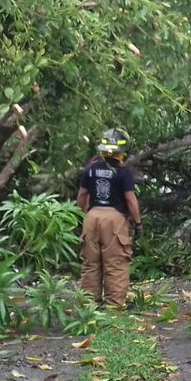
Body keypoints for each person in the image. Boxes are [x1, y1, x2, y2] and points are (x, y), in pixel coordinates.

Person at [76, 128, 142, 308]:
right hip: (114, 220)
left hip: (92, 216)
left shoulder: (91, 169)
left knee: (91, 263)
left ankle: (90, 304)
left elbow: (82, 195)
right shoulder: (123, 172)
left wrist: (79, 217)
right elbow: (130, 198)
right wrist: (138, 222)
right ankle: (113, 305)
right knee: (116, 263)